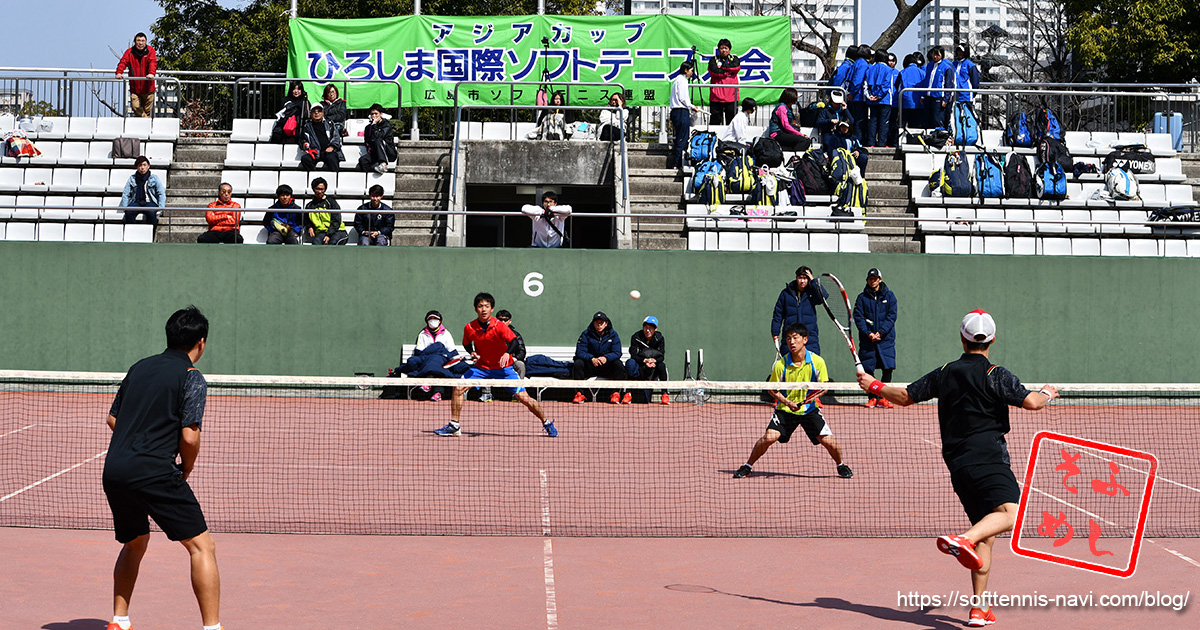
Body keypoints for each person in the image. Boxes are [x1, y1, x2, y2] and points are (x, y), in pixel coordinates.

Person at [856, 310, 1059, 628]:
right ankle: (962, 540)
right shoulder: (995, 373)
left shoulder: (945, 372)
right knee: (1011, 514)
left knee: (986, 536)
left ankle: (979, 608)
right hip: (989, 458)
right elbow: (1032, 402)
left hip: (957, 464)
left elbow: (906, 396)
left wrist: (875, 386)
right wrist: (1048, 393)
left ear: (962, 339)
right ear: (993, 339)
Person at [102, 306, 222, 630]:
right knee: (202, 546)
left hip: (115, 470)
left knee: (135, 541)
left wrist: (138, 439)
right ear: (201, 343)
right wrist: (186, 468)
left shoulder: (138, 368)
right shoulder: (191, 377)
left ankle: (119, 620)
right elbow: (189, 436)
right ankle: (212, 628)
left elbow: (114, 418)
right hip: (153, 471)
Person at [733, 322, 853, 480]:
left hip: (809, 410)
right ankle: (747, 466)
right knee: (769, 437)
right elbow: (772, 389)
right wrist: (788, 403)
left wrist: (808, 400)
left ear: (805, 339)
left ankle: (841, 465)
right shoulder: (780, 365)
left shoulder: (817, 362)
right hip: (785, 411)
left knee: (829, 441)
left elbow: (824, 387)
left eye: (795, 337)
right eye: (788, 338)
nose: (791, 341)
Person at [433, 292, 558, 438]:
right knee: (458, 388)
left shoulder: (499, 326)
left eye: (487, 306)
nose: (483, 309)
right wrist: (472, 352)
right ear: (476, 309)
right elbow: (466, 343)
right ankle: (454, 425)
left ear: (492, 309)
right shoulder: (470, 327)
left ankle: (547, 422)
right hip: (481, 368)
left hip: (504, 370)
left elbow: (514, 341)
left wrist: (507, 353)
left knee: (524, 398)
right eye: (480, 306)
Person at [852, 268, 897, 407]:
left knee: (887, 368)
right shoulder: (861, 298)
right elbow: (858, 317)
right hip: (868, 341)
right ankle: (872, 397)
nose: (873, 281)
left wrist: (881, 332)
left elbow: (892, 316)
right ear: (867, 280)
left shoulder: (890, 296)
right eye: (870, 279)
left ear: (880, 280)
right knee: (868, 368)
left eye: (875, 279)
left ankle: (884, 398)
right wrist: (868, 333)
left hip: (886, 340)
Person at [571, 311, 627, 404]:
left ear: (606, 323)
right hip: (590, 366)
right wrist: (591, 358)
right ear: (593, 323)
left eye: (601, 322)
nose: (599, 324)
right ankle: (580, 394)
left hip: (606, 367)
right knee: (578, 363)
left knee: (618, 364)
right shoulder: (586, 334)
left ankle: (615, 394)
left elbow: (617, 352)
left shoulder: (613, 335)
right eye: (597, 322)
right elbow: (580, 352)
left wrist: (606, 358)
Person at [771, 266, 829, 356]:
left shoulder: (812, 292)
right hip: (790, 339)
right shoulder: (785, 293)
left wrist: (813, 281)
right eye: (800, 278)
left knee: (811, 367)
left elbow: (823, 297)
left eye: (805, 278)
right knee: (789, 367)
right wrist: (775, 331)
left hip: (810, 339)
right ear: (796, 278)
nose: (802, 281)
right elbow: (778, 314)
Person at [415, 309, 457, 402]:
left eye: (435, 318)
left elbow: (452, 352)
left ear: (440, 321)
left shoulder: (446, 334)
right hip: (428, 361)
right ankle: (438, 393)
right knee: (434, 366)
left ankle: (428, 383)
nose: (433, 320)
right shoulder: (422, 334)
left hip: (443, 361)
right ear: (427, 321)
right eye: (430, 318)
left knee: (437, 367)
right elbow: (420, 352)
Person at [626, 316, 669, 404]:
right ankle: (628, 393)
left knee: (662, 366)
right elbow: (633, 355)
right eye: (646, 327)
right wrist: (644, 360)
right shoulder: (636, 337)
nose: (647, 330)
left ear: (655, 329)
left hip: (653, 368)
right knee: (630, 363)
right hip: (640, 366)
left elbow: (661, 356)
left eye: (650, 328)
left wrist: (654, 361)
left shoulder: (660, 339)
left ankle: (664, 394)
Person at [667, 61, 701, 169]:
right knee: (682, 138)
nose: (692, 73)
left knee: (680, 137)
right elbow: (683, 98)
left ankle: (677, 162)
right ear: (686, 70)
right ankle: (676, 163)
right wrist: (691, 106)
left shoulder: (678, 80)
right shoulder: (682, 81)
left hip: (677, 111)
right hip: (681, 111)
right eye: (691, 70)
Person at [115, 32, 157, 118]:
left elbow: (153, 63)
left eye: (143, 41)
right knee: (135, 107)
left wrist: (151, 74)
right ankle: (147, 124)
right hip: (135, 89)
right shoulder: (129, 52)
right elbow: (123, 62)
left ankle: (144, 128)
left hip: (148, 88)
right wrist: (119, 72)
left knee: (147, 111)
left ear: (146, 42)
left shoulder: (151, 51)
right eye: (138, 40)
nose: (140, 43)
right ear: (135, 42)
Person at [119, 156, 165, 225]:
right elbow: (126, 194)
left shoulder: (154, 178)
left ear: (148, 166)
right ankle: (132, 231)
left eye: (144, 165)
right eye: (140, 165)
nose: (142, 167)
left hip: (150, 202)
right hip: (136, 202)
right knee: (128, 212)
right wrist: (125, 208)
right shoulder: (132, 178)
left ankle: (150, 232)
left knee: (152, 213)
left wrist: (160, 209)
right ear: (137, 167)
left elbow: (161, 193)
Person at [864, 50, 895, 148]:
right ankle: (882, 143)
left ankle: (871, 142)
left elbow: (865, 84)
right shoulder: (888, 69)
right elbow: (887, 85)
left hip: (872, 99)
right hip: (884, 100)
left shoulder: (870, 69)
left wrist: (870, 96)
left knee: (873, 121)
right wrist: (879, 95)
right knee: (884, 122)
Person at [299, 103, 343, 172]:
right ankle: (314, 177)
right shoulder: (307, 126)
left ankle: (335, 178)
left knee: (331, 158)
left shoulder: (330, 124)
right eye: (314, 111)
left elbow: (336, 138)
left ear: (323, 113)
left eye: (319, 111)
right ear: (310, 113)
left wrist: (332, 147)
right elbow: (302, 139)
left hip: (329, 152)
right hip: (315, 152)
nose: (316, 113)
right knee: (305, 159)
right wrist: (304, 143)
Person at [707, 38, 741, 125]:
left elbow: (736, 67)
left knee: (732, 123)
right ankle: (713, 139)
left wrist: (722, 67)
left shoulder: (735, 59)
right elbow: (714, 72)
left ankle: (731, 139)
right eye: (722, 48)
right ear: (718, 49)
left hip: (731, 98)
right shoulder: (713, 60)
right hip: (716, 98)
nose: (724, 50)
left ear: (729, 50)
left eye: (726, 48)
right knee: (715, 123)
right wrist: (728, 72)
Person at [304, 177, 347, 245]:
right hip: (322, 232)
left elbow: (336, 221)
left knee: (332, 243)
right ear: (313, 189)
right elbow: (306, 219)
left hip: (338, 231)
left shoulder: (331, 203)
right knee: (316, 243)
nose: (319, 192)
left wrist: (329, 235)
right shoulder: (309, 206)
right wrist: (310, 227)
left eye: (322, 189)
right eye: (317, 189)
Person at [358, 103, 397, 174]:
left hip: (388, 153)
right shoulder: (368, 128)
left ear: (381, 114)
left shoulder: (386, 125)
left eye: (376, 114)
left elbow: (379, 136)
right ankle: (372, 174)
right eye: (372, 114)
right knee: (363, 160)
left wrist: (374, 125)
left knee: (378, 140)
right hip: (375, 152)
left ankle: (383, 164)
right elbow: (367, 141)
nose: (374, 116)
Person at [922, 46, 952, 130]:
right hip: (928, 96)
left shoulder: (946, 67)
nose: (935, 56)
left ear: (941, 55)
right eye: (933, 54)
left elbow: (949, 85)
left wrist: (946, 99)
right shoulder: (929, 65)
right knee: (927, 120)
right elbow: (926, 80)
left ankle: (938, 138)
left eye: (937, 54)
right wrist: (922, 95)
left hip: (938, 96)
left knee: (937, 120)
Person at [847, 44, 872, 143]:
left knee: (854, 120)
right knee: (859, 121)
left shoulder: (856, 63)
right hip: (859, 96)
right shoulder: (863, 64)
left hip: (853, 96)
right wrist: (853, 92)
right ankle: (858, 141)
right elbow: (858, 80)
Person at [949, 43, 981, 116]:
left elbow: (975, 83)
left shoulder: (970, 65)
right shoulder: (953, 64)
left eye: (962, 51)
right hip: (954, 94)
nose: (960, 53)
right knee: (955, 115)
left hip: (966, 95)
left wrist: (972, 93)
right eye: (958, 51)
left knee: (967, 115)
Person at [494, 309, 527, 378]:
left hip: (511, 361)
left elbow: (521, 351)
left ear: (510, 321)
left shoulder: (516, 335)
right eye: (500, 320)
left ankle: (519, 387)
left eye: (505, 320)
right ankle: (486, 389)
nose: (503, 322)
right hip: (494, 362)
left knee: (520, 365)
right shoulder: (491, 333)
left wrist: (515, 358)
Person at [899, 52, 927, 131]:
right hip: (919, 103)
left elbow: (898, 87)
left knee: (902, 125)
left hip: (905, 102)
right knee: (916, 125)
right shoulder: (922, 72)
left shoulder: (902, 72)